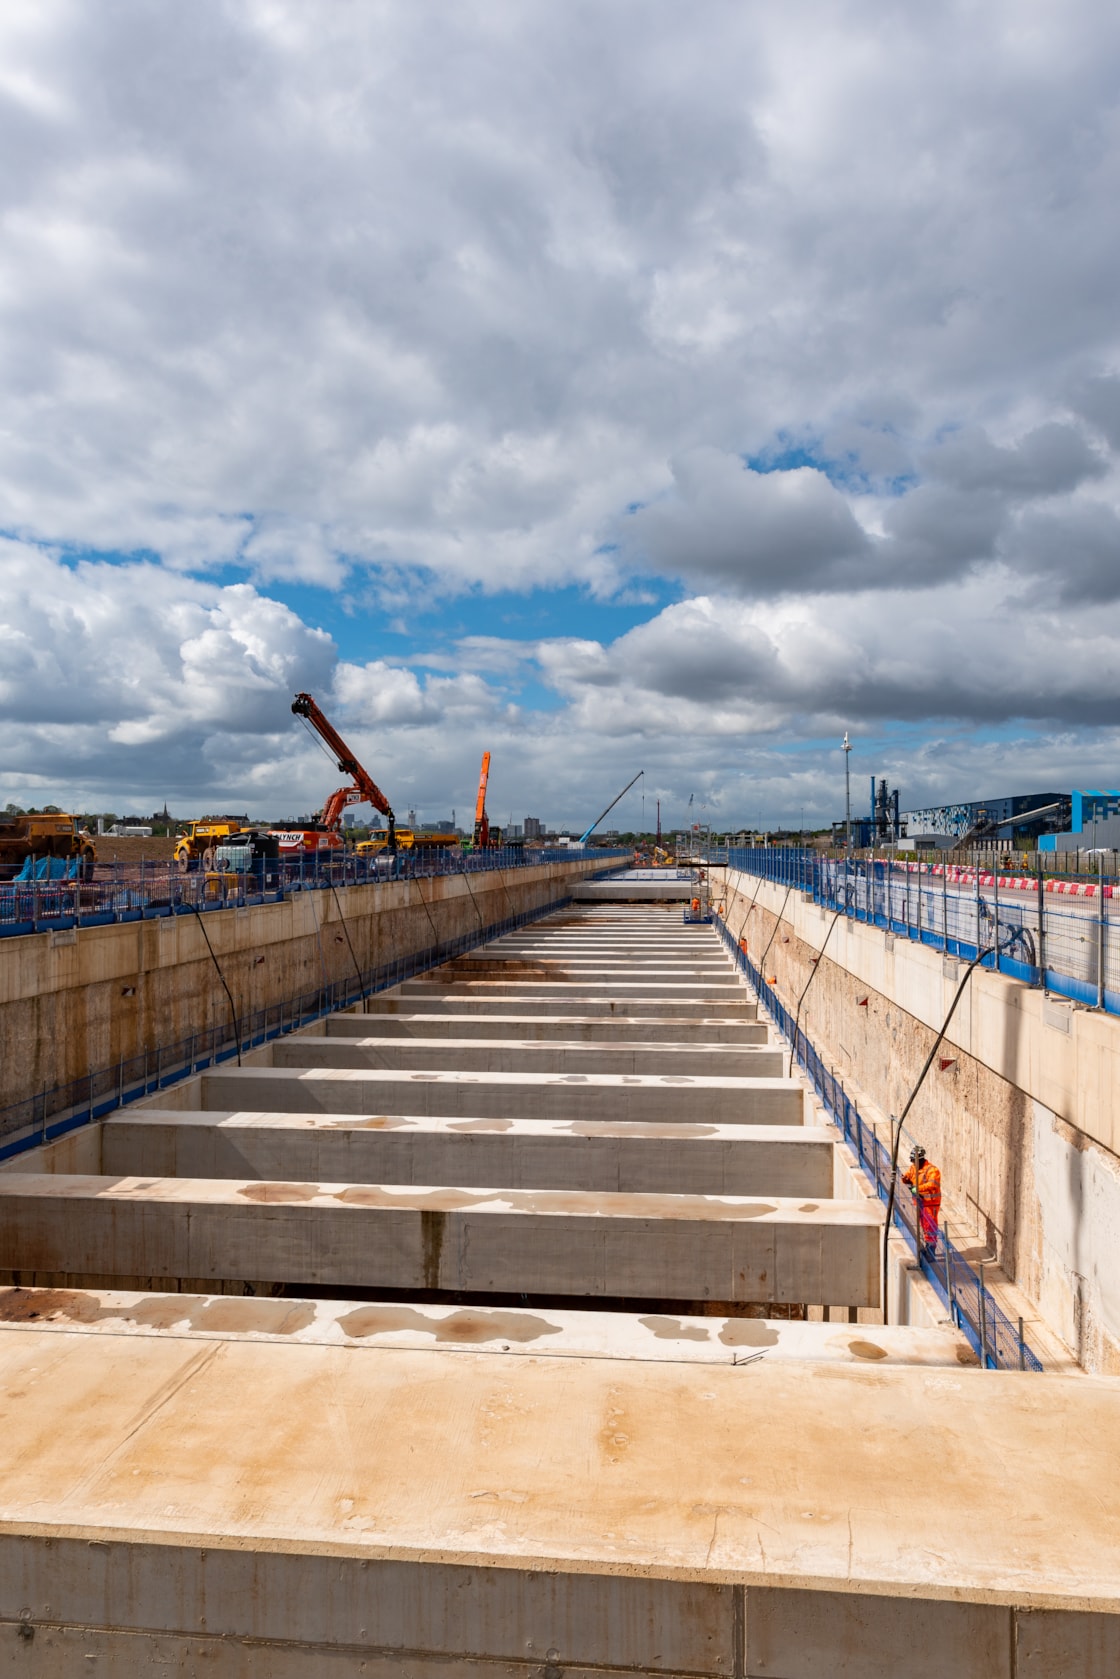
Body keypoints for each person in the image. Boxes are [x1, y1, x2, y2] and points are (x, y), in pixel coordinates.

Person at [903, 1145, 941, 1259]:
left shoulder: (932, 1170)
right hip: (920, 1202)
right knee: (924, 1226)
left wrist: (918, 1188)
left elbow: (933, 1184)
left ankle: (931, 1250)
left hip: (930, 1202)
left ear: (920, 1159)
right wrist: (903, 1178)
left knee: (930, 1226)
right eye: (912, 1161)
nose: (913, 1163)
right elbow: (907, 1176)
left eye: (914, 1161)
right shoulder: (914, 1168)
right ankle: (927, 1247)